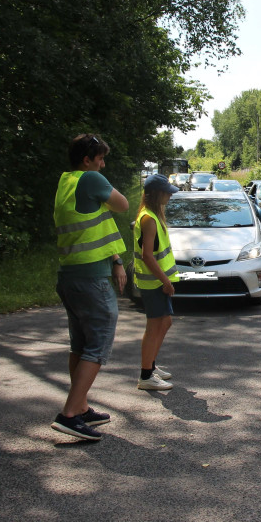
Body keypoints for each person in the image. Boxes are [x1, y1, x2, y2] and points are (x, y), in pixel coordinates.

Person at [50, 134, 128, 441]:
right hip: (91, 279)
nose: (103, 164)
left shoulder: (66, 182)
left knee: (80, 345)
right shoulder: (91, 180)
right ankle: (69, 414)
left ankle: (80, 407)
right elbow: (121, 205)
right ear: (87, 160)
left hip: (71, 275)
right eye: (100, 159)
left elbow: (96, 222)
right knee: (97, 346)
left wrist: (116, 258)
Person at [133, 174, 181, 391]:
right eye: (167, 191)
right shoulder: (149, 219)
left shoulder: (153, 214)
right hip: (154, 283)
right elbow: (147, 256)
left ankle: (150, 366)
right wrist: (165, 282)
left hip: (157, 282)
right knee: (155, 326)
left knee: (165, 322)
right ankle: (145, 375)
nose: (170, 194)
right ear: (155, 194)